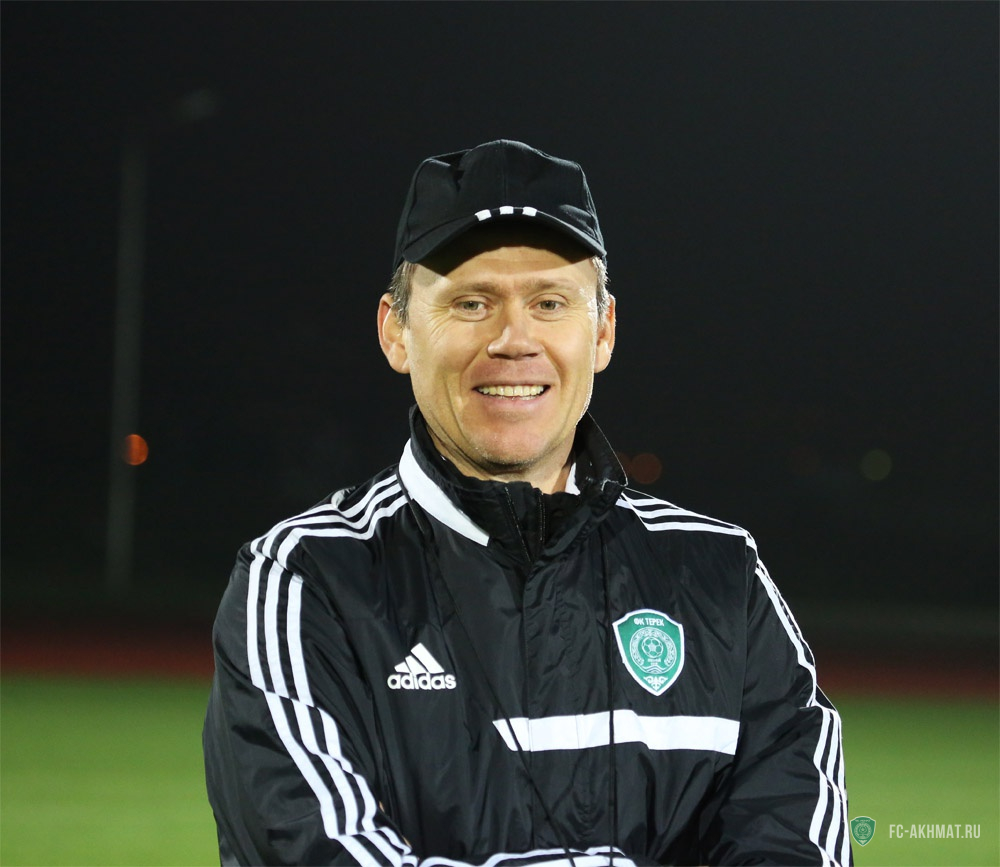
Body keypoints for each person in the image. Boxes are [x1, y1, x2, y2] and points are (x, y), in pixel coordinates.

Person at [203, 139, 851, 866]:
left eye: (549, 302)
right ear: (396, 332)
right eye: (471, 302)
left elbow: (796, 842)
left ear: (602, 331)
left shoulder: (719, 573)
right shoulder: (306, 579)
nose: (514, 340)